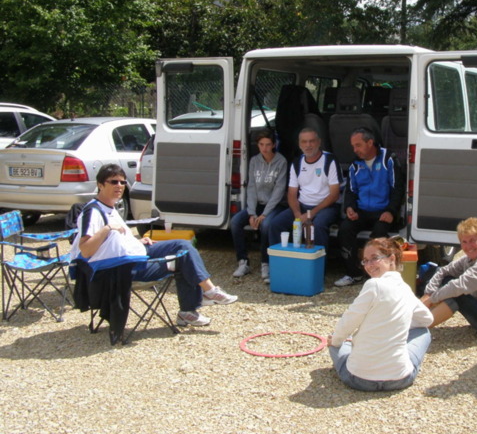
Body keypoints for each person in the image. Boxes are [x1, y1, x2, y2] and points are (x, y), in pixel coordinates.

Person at [71, 164, 238, 327]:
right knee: (182, 260)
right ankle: (195, 304)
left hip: (134, 253)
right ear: (100, 185)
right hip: (121, 268)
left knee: (182, 245)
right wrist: (108, 228)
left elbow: (112, 243)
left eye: (122, 182)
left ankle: (202, 298)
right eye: (113, 182)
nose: (120, 186)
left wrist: (136, 241)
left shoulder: (110, 207)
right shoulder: (93, 212)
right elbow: (86, 250)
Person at [328, 238, 433, 391]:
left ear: (391, 259)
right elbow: (426, 320)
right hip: (399, 379)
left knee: (334, 340)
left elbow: (349, 320)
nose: (369, 265)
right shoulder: (405, 288)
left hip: (358, 379)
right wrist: (398, 324)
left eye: (374, 258)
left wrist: (336, 341)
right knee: (423, 332)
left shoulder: (373, 285)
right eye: (365, 261)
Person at [335, 127, 404, 287]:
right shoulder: (355, 164)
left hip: (383, 211)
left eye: (358, 145)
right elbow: (351, 190)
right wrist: (349, 208)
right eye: (353, 146)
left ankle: (378, 275)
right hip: (362, 211)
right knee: (345, 229)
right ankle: (353, 274)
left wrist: (391, 211)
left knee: (379, 235)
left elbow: (397, 188)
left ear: (370, 142)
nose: (355, 149)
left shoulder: (389, 159)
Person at [269, 128, 341, 251]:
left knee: (317, 226)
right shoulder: (296, 163)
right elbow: (292, 194)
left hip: (326, 207)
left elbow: (334, 195)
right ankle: (280, 263)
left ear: (319, 142)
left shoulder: (330, 160)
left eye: (312, 141)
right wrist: (298, 216)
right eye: (304, 142)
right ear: (299, 144)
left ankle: (318, 266)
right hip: (302, 206)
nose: (308, 145)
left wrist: (312, 214)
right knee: (275, 224)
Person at [230, 129, 287, 283]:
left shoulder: (281, 162)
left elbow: (279, 191)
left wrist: (264, 215)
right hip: (257, 206)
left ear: (273, 145)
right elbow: (251, 188)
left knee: (266, 225)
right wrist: (251, 213)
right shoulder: (254, 161)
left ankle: (265, 263)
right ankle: (243, 261)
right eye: (261, 144)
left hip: (274, 206)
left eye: (268, 144)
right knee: (235, 222)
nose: (264, 148)